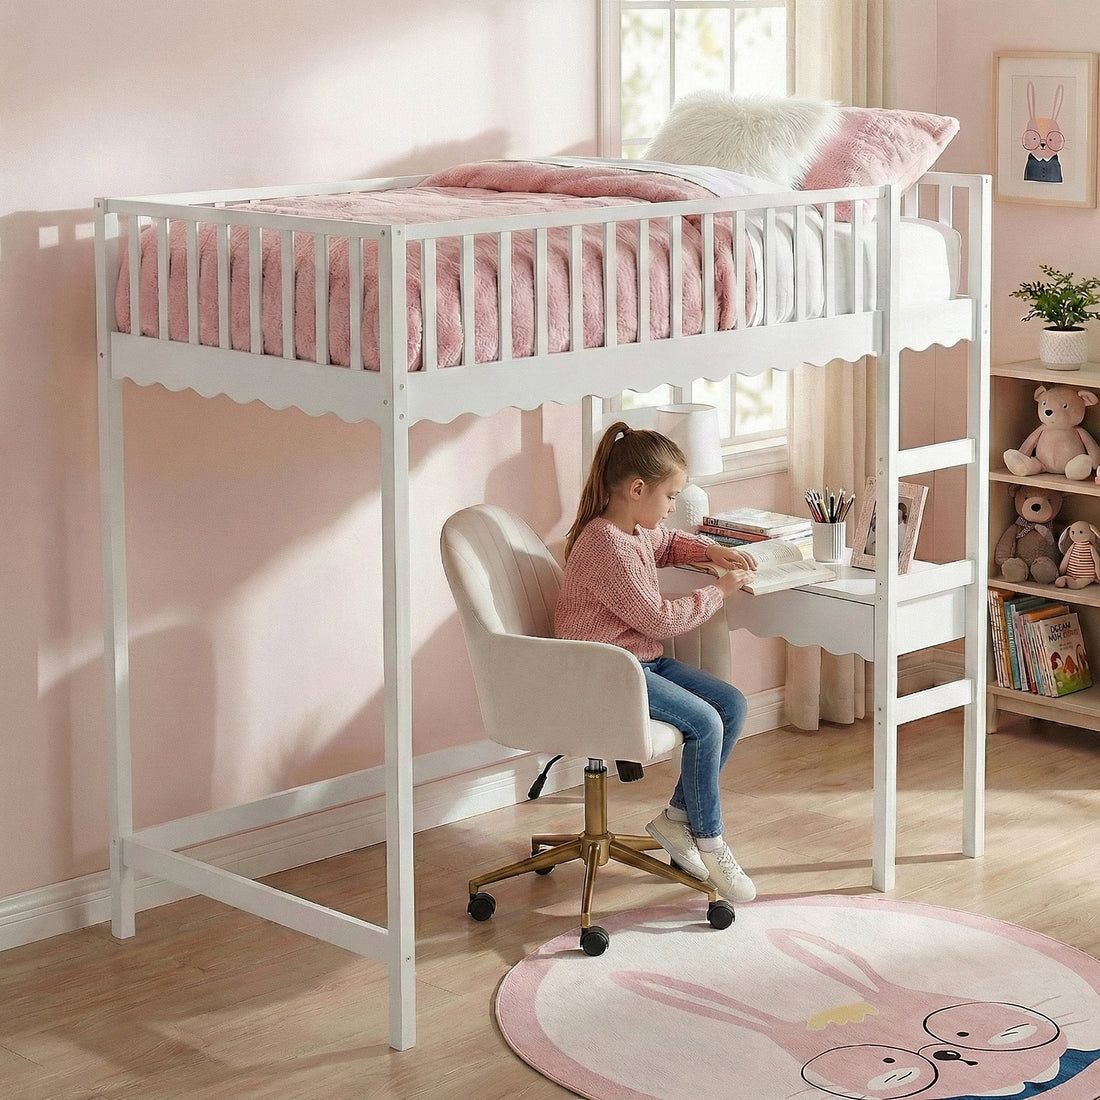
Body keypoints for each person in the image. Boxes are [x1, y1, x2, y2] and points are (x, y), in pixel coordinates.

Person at [554, 421, 759, 903]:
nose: (671, 509)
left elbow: (664, 543)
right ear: (637, 489)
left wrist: (710, 549)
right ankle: (709, 839)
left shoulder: (631, 528)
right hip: (607, 674)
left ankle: (675, 819)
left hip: (638, 664)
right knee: (706, 723)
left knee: (732, 704)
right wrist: (719, 590)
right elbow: (659, 620)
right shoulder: (606, 544)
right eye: (670, 497)